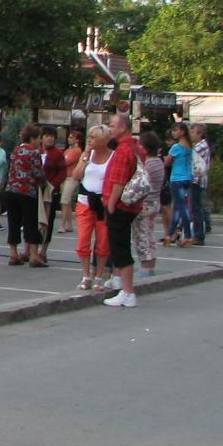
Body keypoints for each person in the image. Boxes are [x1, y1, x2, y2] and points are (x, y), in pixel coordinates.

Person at [102, 113, 144, 307]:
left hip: (120, 205)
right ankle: (120, 282)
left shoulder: (123, 150)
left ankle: (127, 292)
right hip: (132, 204)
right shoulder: (136, 147)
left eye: (112, 126)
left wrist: (110, 205)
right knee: (121, 245)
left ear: (122, 128)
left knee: (120, 248)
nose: (110, 129)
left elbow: (118, 181)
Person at [69, 124, 111, 291]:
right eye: (90, 137)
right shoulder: (87, 155)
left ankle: (99, 276)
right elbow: (76, 175)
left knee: (103, 242)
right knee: (83, 241)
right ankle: (86, 276)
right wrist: (85, 156)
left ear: (103, 140)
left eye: (94, 138)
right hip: (85, 201)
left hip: (103, 203)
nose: (90, 141)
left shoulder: (113, 156)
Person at [5, 124, 45, 266]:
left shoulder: (15, 150)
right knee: (30, 222)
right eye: (38, 138)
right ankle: (33, 256)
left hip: (11, 190)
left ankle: (13, 254)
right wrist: (43, 182)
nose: (40, 141)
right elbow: (38, 173)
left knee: (13, 222)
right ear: (32, 138)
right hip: (27, 191)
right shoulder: (34, 152)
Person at [132, 131, 165, 278]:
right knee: (149, 234)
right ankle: (151, 264)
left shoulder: (147, 165)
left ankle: (145, 266)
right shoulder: (159, 162)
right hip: (155, 201)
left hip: (144, 203)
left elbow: (139, 182)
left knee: (141, 236)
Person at [163, 124, 194, 247]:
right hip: (187, 178)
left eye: (175, 130)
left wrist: (166, 158)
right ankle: (170, 235)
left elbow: (167, 162)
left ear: (182, 132)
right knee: (177, 208)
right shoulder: (190, 146)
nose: (173, 133)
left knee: (182, 208)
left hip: (177, 178)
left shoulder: (176, 147)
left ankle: (188, 236)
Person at [38, 127, 66, 258]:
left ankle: (43, 250)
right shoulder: (36, 151)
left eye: (52, 136)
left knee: (48, 221)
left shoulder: (58, 153)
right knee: (33, 220)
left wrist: (53, 186)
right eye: (47, 135)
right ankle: (31, 249)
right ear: (41, 137)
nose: (49, 138)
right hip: (36, 190)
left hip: (51, 191)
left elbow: (63, 172)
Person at [189, 123, 211, 244]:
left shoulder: (200, 146)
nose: (191, 134)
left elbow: (189, 156)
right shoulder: (199, 145)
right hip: (196, 179)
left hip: (197, 180)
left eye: (193, 132)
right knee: (196, 207)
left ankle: (198, 235)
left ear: (200, 134)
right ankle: (199, 232)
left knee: (196, 208)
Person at [58, 130, 83, 233]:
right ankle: (69, 224)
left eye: (72, 137)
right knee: (67, 202)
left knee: (64, 200)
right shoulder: (67, 150)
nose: (69, 139)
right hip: (64, 177)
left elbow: (66, 162)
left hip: (71, 178)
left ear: (77, 140)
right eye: (69, 137)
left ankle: (62, 225)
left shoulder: (77, 151)